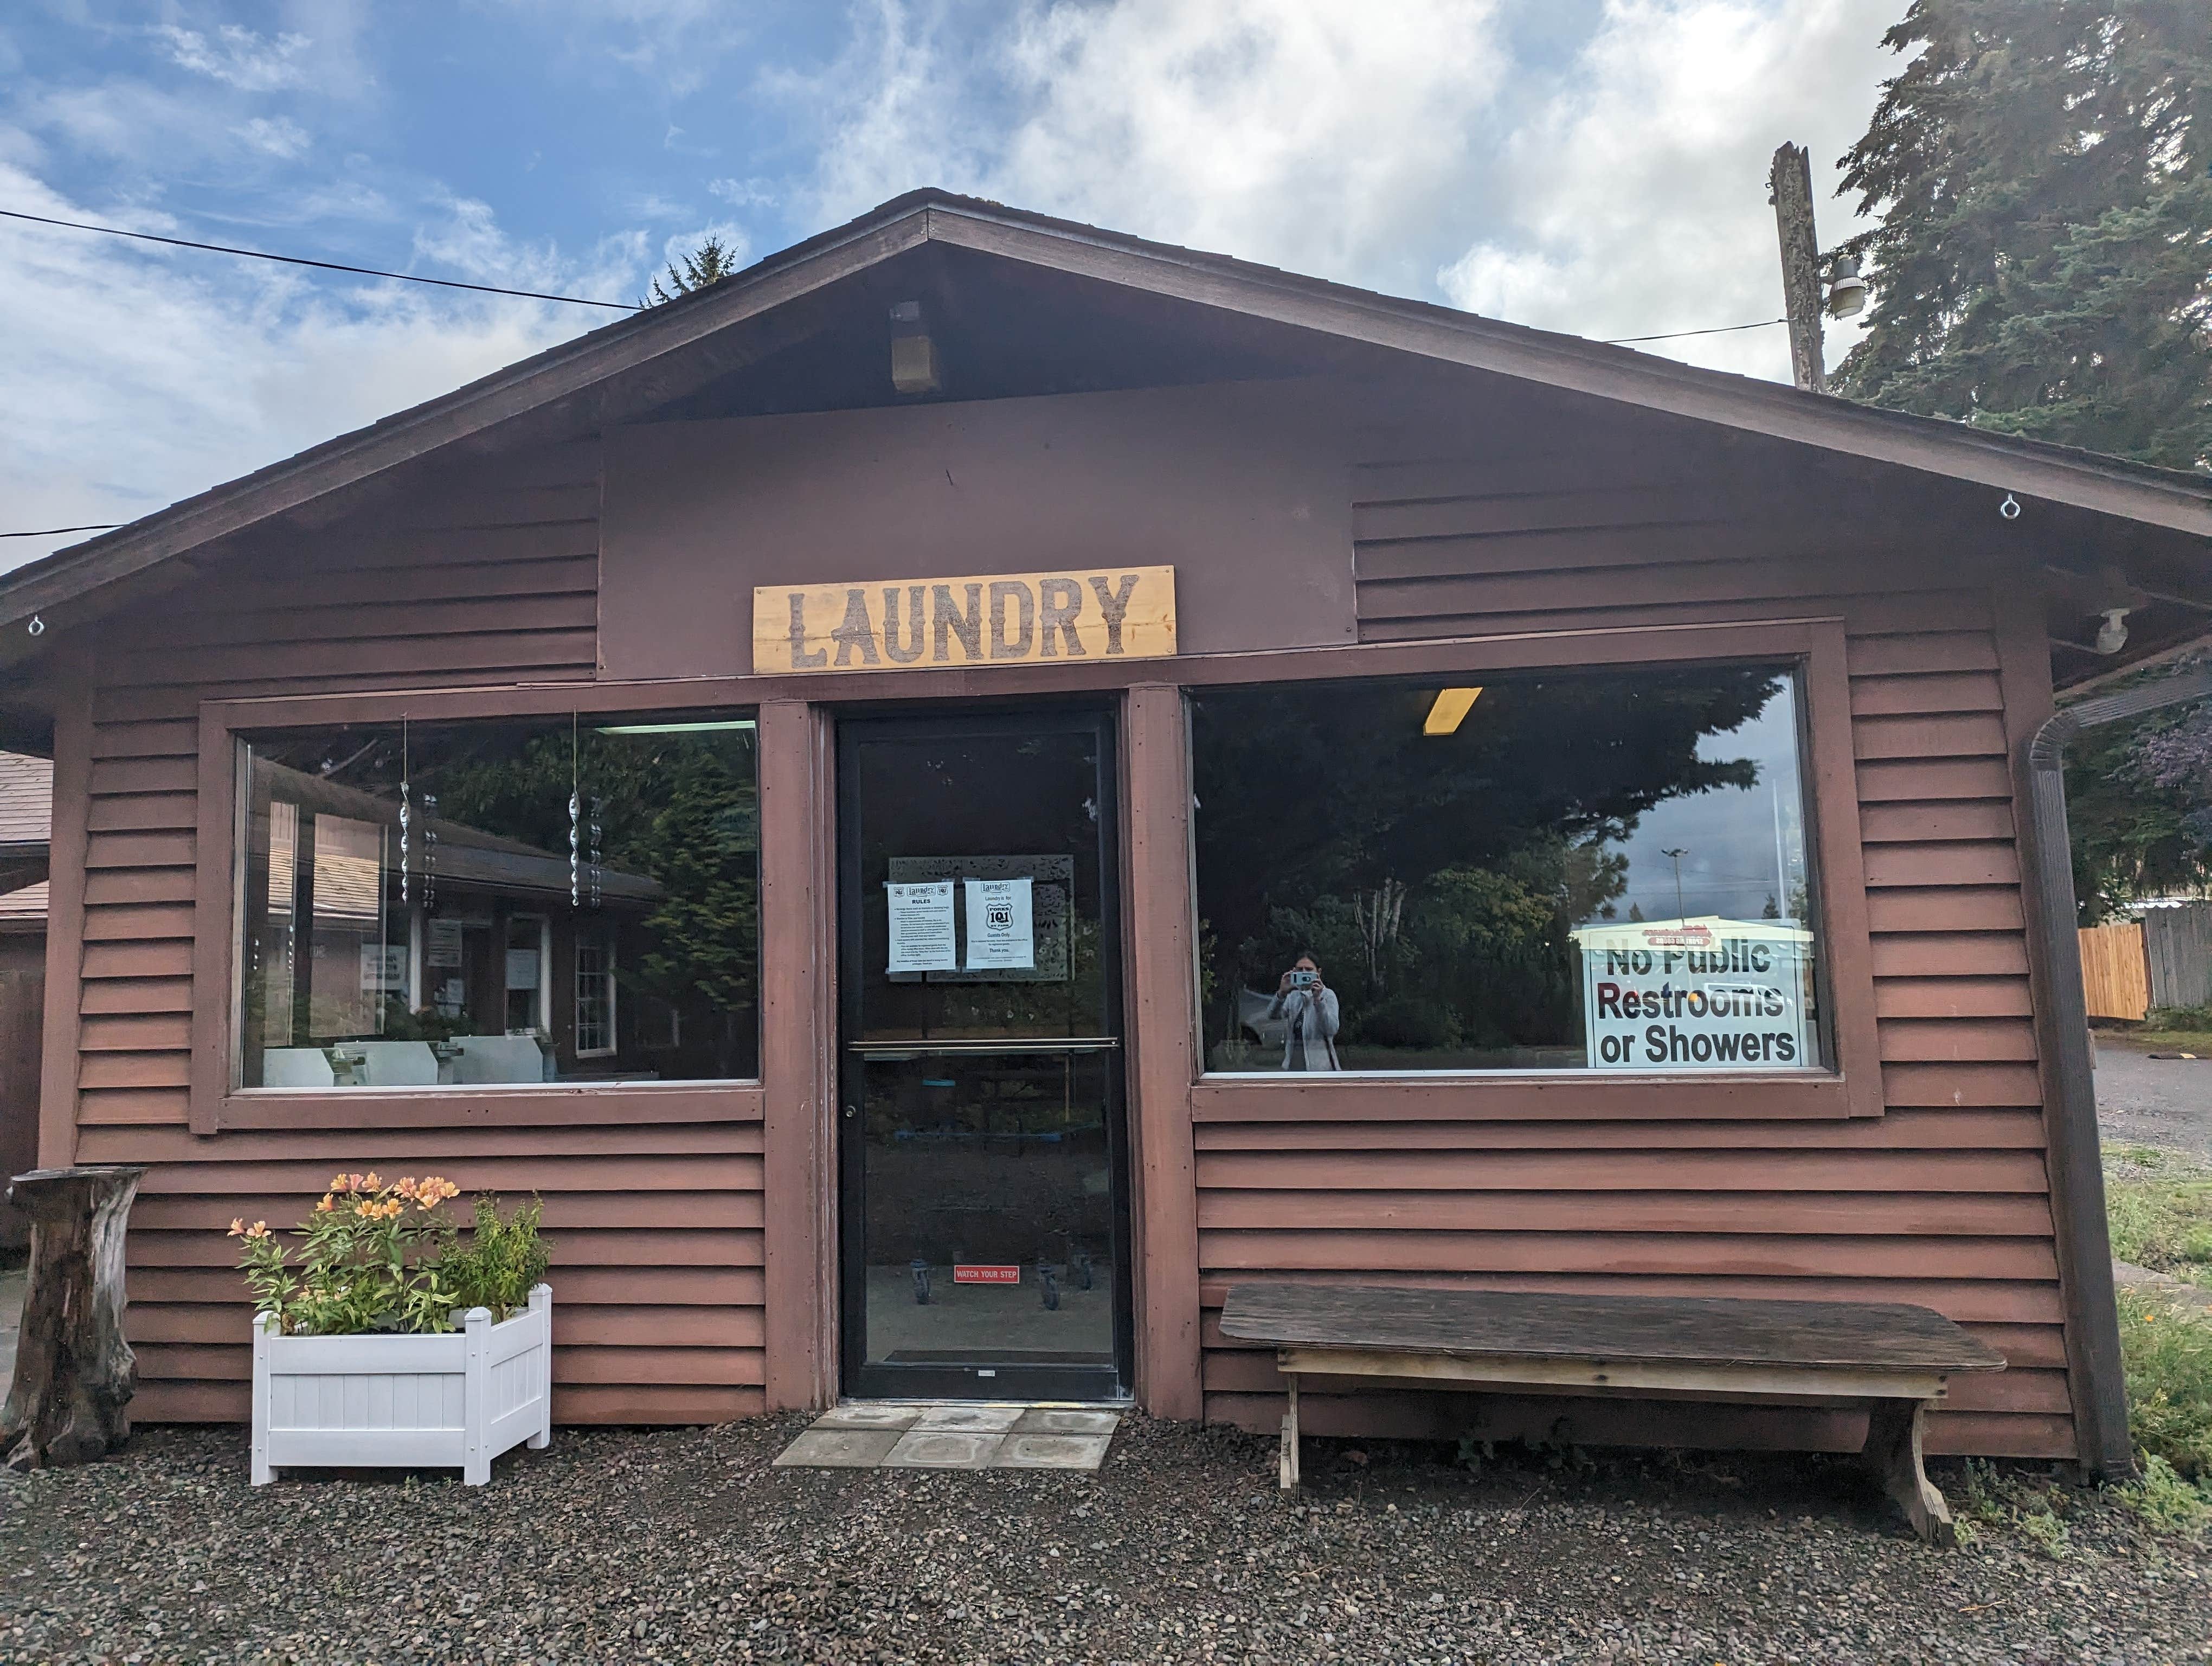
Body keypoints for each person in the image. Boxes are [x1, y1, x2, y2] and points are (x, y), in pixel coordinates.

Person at [1266, 953, 1340, 1071]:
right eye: (1300, 970)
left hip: (1321, 1068)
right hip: (1294, 1066)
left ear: (1319, 972)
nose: (1304, 973)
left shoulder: (1327, 995)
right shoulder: (1293, 996)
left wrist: (1318, 1000)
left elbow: (1331, 1029)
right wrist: (1282, 993)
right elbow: (1273, 1015)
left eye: (1309, 970)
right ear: (1294, 971)